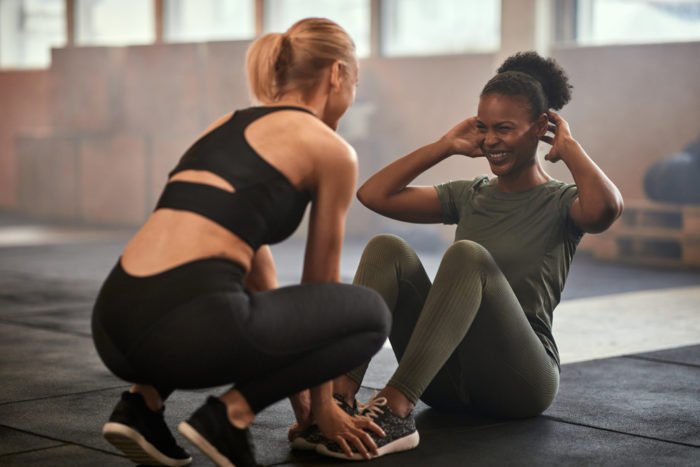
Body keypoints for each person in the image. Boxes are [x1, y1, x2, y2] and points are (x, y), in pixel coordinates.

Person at [91, 17, 391, 467]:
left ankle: (141, 407)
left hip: (112, 325)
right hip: (185, 336)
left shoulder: (225, 125)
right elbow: (320, 289)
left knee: (209, 290)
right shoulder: (330, 149)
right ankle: (228, 416)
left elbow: (256, 269)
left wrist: (301, 404)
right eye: (356, 80)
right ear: (336, 74)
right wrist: (325, 410)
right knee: (368, 315)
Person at [304, 51, 624, 460]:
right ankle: (338, 401)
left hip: (520, 384)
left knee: (468, 256)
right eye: (483, 128)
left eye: (504, 129)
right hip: (445, 382)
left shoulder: (562, 203)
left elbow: (606, 210)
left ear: (541, 128)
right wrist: (444, 146)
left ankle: (397, 410)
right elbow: (373, 195)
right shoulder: (470, 195)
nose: (491, 141)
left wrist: (570, 147)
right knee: (387, 248)